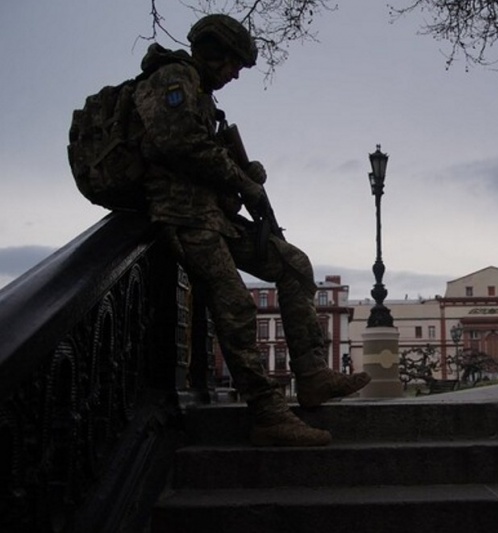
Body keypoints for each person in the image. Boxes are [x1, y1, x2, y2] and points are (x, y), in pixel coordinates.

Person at [131, 14, 371, 446]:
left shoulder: (202, 96)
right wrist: (241, 181)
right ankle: (268, 412)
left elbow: (204, 154)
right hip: (181, 216)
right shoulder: (172, 77)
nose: (235, 73)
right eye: (232, 63)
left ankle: (313, 375)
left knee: (294, 264)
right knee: (237, 306)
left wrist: (243, 171)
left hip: (211, 215)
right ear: (211, 50)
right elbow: (179, 143)